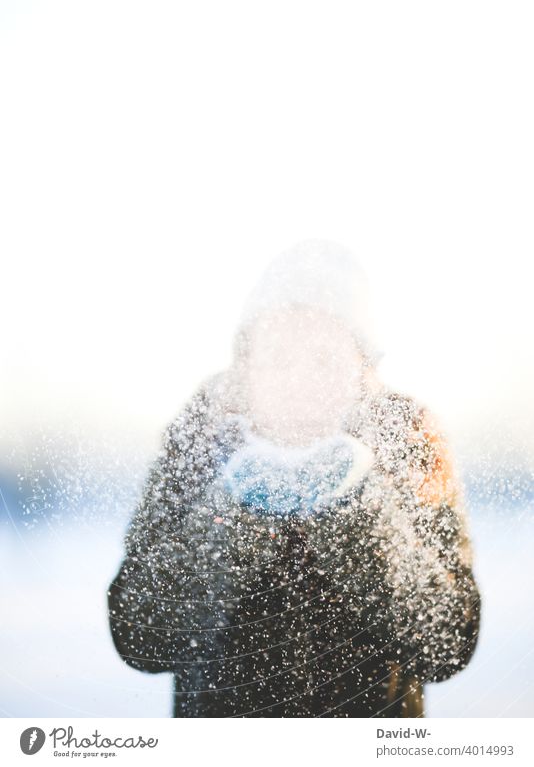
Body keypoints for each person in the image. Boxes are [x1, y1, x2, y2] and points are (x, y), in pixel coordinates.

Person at [107, 239, 481, 717]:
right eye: (279, 357)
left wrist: (355, 514)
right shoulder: (204, 434)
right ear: (247, 364)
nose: (299, 380)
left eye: (324, 359)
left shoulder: (405, 437)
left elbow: (446, 644)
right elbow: (140, 637)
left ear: (361, 367)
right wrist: (234, 514)